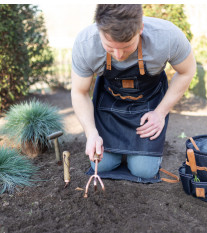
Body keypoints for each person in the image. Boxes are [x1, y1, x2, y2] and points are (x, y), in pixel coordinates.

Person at [71, 4, 196, 180]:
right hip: (109, 103)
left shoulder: (167, 36)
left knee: (143, 171)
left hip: (148, 104)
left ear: (140, 29)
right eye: (109, 46)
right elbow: (79, 92)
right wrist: (91, 133)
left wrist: (160, 113)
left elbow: (187, 71)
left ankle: (137, 155)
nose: (119, 55)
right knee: (103, 165)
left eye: (127, 46)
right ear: (98, 30)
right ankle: (120, 150)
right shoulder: (85, 44)